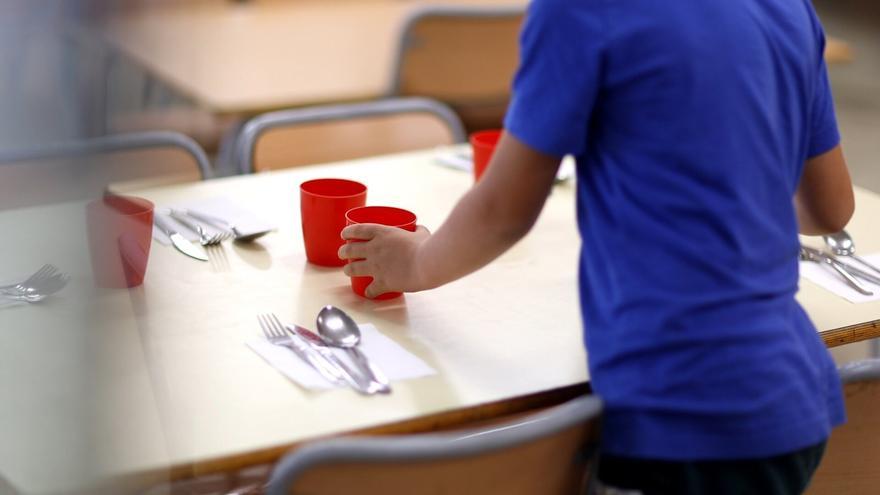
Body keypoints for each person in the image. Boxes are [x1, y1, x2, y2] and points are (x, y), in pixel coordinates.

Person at [338, 0, 854, 493]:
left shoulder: (583, 9)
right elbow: (830, 210)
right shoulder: (786, 6)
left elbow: (504, 212)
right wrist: (731, 196)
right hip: (794, 392)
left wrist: (416, 264)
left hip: (686, 407)